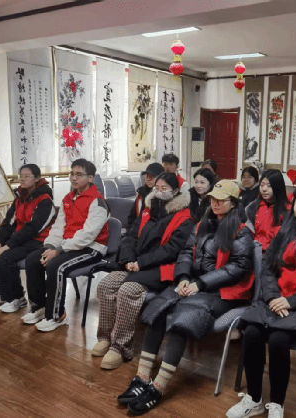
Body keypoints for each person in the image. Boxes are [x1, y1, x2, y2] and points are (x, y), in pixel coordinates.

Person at [117, 180, 254, 415]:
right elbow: (186, 252)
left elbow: (236, 269)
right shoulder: (202, 224)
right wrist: (182, 277)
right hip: (192, 283)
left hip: (222, 292)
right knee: (158, 311)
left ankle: (158, 386)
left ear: (233, 203)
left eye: (221, 200)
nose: (215, 203)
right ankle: (142, 377)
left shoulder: (242, 232)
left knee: (182, 322)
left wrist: (200, 284)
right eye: (213, 199)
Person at [227, 183, 296, 418]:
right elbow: (268, 267)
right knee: (252, 333)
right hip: (276, 298)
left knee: (279, 338)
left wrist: (292, 301)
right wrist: (273, 296)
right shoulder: (284, 231)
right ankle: (254, 399)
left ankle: (277, 404)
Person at [93, 172, 193, 370]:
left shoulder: (184, 218)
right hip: (137, 264)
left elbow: (172, 250)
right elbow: (131, 236)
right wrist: (128, 259)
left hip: (162, 269)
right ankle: (105, 337)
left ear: (175, 192)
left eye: (164, 189)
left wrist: (141, 263)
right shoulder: (147, 210)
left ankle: (121, 347)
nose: (159, 192)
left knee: (127, 290)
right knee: (106, 285)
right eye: (157, 188)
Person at [24, 159, 110, 332]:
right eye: (72, 173)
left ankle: (57, 315)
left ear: (90, 178)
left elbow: (87, 235)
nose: (74, 178)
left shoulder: (98, 201)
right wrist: (50, 246)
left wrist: (59, 250)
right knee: (33, 260)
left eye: (79, 174)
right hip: (68, 245)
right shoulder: (68, 198)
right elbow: (59, 227)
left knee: (56, 266)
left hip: (91, 248)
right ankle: (40, 307)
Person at [0, 164, 55, 312]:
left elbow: (33, 229)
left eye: (27, 176)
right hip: (21, 239)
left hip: (38, 241)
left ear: (37, 178)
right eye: (21, 176)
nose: (22, 179)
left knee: (5, 257)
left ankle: (17, 298)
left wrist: (8, 245)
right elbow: (8, 223)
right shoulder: (20, 199)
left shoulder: (45, 200)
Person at [244, 169, 288, 252]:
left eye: (269, 186)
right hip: (254, 251)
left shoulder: (287, 210)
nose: (264, 189)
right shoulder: (252, 207)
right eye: (262, 185)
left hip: (275, 254)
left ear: (278, 187)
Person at [127, 162, 164, 231]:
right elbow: (132, 217)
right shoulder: (141, 193)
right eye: (147, 176)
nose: (148, 179)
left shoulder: (163, 196)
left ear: (161, 177)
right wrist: (130, 232)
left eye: (152, 176)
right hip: (136, 232)